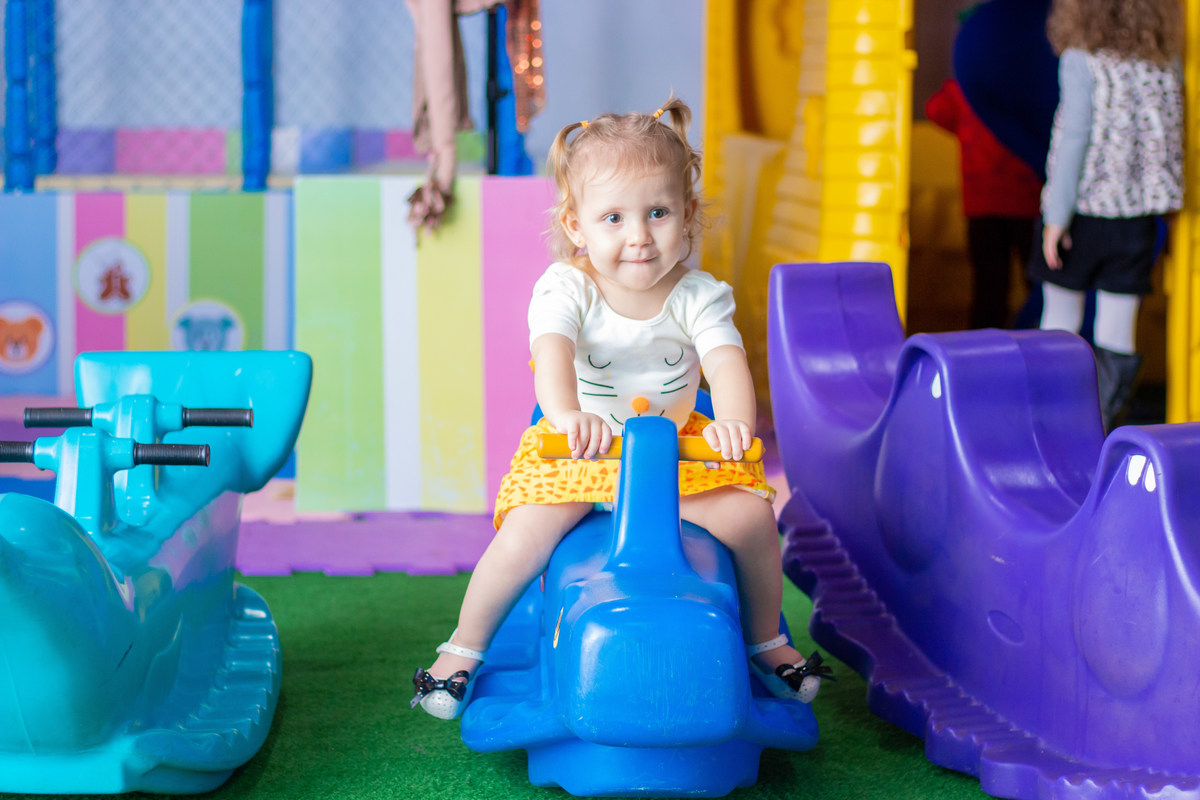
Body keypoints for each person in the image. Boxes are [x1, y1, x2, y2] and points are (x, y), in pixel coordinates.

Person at [411, 96, 830, 719]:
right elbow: (550, 351)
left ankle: (764, 638)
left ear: (687, 216)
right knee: (525, 535)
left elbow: (724, 363)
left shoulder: (699, 295)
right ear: (577, 226)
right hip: (583, 448)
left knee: (752, 519)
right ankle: (461, 651)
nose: (638, 237)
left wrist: (736, 423)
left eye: (657, 212)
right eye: (613, 218)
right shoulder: (567, 286)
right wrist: (564, 414)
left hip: (675, 450)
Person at [1027, 0, 1183, 430]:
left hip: (1082, 214)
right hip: (1135, 221)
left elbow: (1075, 137)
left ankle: (1051, 428)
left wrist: (1056, 218)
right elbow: (1170, 136)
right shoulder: (1164, 61)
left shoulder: (1082, 59)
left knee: (1059, 325)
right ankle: (1100, 433)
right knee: (1117, 334)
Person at [926, 78, 1043, 329]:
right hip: (1027, 200)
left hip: (982, 202)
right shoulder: (1026, 81)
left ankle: (984, 360)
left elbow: (936, 109)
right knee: (1040, 289)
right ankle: (1040, 356)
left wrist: (967, 134)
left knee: (989, 290)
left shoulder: (969, 81)